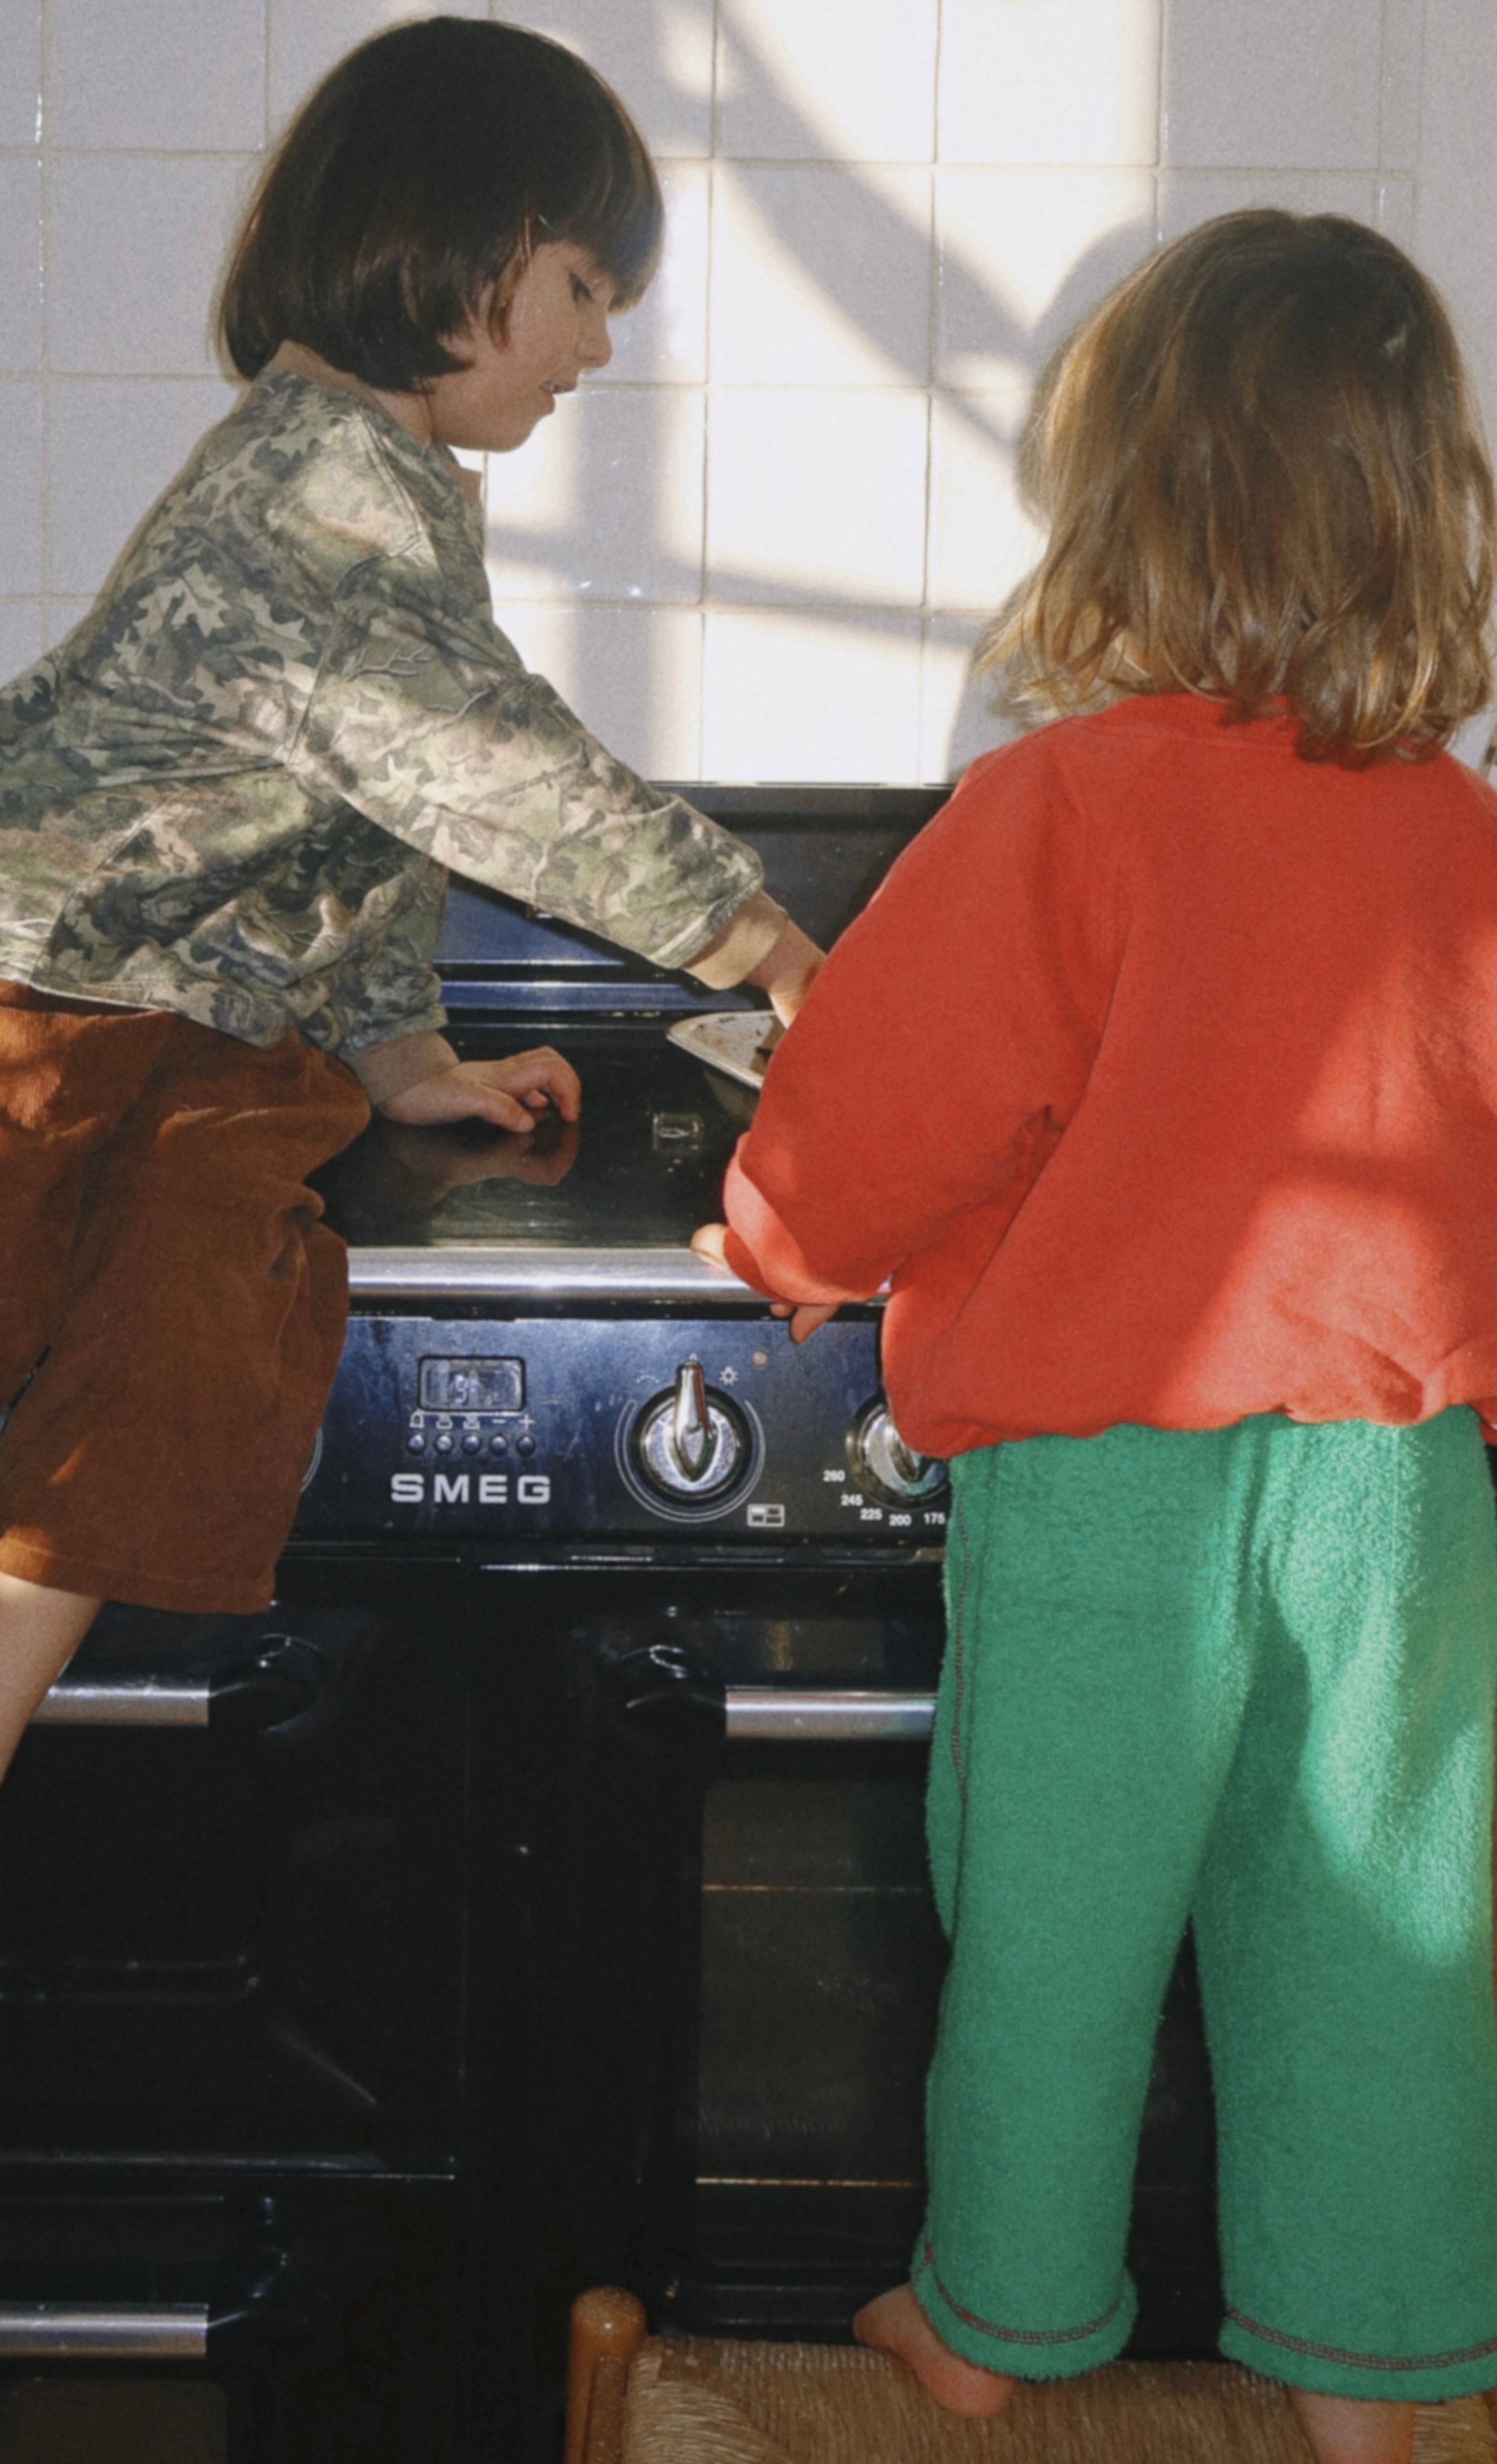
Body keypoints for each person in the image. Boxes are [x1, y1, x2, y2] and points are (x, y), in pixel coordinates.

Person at [0, 16, 821, 2115]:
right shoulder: (307, 482)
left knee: (200, 1335)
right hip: (4, 974)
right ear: (456, 253)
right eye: (581, 290)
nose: (592, 349)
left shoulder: (405, 501)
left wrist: (394, 1057)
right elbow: (482, 770)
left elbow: (368, 814)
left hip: (212, 1030)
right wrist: (766, 944)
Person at [694, 210, 1497, 2464]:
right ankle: (1383, 2371)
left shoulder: (1062, 805)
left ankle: (1007, 2319)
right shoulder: (1465, 837)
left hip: (1111, 1475)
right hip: (1398, 1489)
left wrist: (776, 1235)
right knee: (1388, 1940)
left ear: (1131, 499)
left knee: (1054, 1906)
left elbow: (878, 1107)